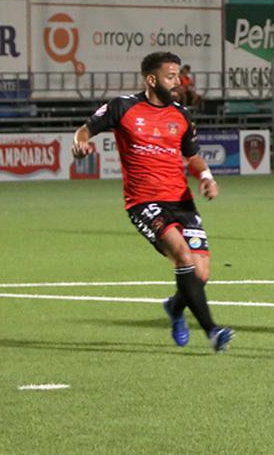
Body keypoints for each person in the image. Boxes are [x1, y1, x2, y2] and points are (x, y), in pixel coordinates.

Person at [71, 51, 233, 352]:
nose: (177, 81)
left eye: (178, 76)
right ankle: (213, 331)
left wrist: (207, 177)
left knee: (201, 273)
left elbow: (193, 156)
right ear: (151, 79)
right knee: (183, 257)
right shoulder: (123, 106)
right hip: (143, 201)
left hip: (181, 200)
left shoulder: (181, 114)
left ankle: (174, 307)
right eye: (170, 76)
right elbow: (86, 129)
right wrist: (80, 143)